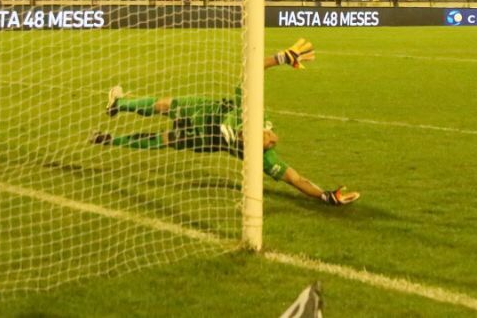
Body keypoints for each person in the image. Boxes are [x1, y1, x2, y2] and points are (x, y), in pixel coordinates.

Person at [90, 38, 360, 206]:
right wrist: (325, 196)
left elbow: (297, 180)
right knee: (162, 123)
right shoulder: (260, 133)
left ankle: (114, 127)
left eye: (267, 143)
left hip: (204, 125)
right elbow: (297, 180)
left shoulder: (254, 128)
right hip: (205, 127)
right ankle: (116, 115)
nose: (274, 140)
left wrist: (326, 196)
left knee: (162, 126)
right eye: (271, 139)